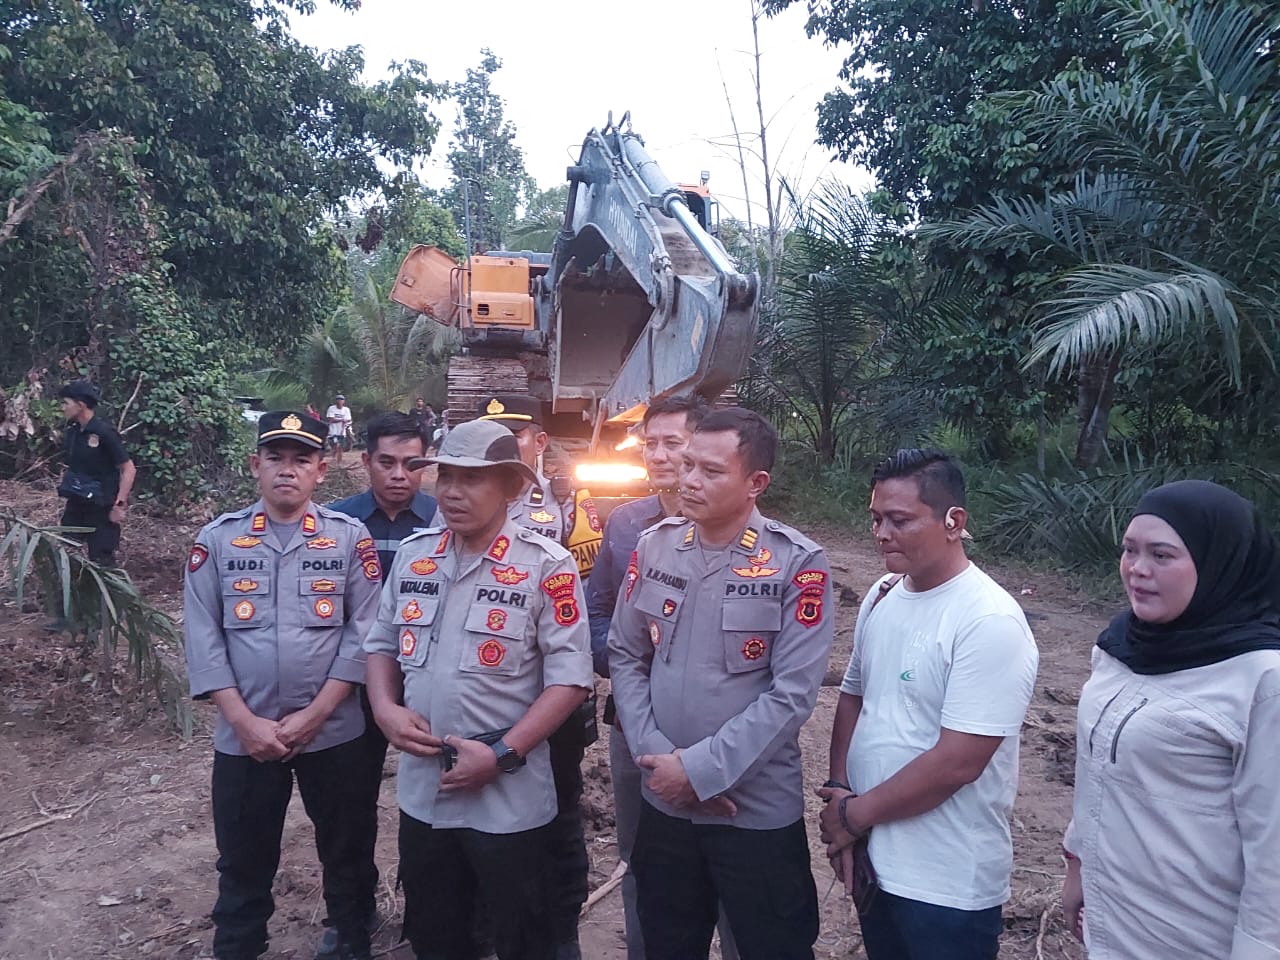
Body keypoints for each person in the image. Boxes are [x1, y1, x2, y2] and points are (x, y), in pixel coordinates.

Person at [608, 407, 833, 960]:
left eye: (709, 471)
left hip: (751, 808)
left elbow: (792, 693)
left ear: (755, 484)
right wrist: (657, 757)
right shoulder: (655, 546)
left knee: (768, 944)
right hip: (664, 799)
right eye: (687, 465)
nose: (687, 480)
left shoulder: (797, 565)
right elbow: (627, 653)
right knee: (666, 941)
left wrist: (703, 771)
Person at [363, 418, 593, 960]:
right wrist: (383, 709)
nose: (451, 492)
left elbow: (571, 679)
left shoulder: (547, 567)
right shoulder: (417, 555)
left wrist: (501, 753)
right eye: (445, 477)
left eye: (473, 480)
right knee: (437, 933)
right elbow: (380, 643)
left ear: (511, 488)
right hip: (426, 793)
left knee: (522, 936)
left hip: (507, 799)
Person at [818, 448, 1038, 960]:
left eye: (900, 520)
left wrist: (853, 816)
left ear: (953, 521)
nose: (881, 534)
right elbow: (854, 696)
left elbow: (958, 761)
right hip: (877, 860)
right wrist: (838, 791)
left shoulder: (988, 621)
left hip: (946, 881)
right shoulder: (882, 594)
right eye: (876, 518)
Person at [183, 411, 383, 960]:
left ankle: (350, 938)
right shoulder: (218, 540)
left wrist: (316, 715)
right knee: (243, 858)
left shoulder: (349, 539)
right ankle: (240, 945)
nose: (287, 471)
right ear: (256, 466)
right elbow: (203, 634)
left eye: (301, 460)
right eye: (276, 458)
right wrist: (242, 721)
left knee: (347, 848)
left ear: (322, 470)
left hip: (334, 731)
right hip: (244, 736)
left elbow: (364, 633)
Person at [1061, 480, 1280, 959]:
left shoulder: (1262, 679)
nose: (1138, 570)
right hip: (1115, 922)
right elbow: (1092, 772)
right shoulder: (1121, 647)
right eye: (1130, 550)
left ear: (1220, 562)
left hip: (1196, 938)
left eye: (1162, 556)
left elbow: (1274, 860)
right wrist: (1077, 864)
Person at [584, 395, 735, 960]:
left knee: (728, 857)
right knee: (642, 857)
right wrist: (633, 673)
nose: (660, 454)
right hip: (634, 727)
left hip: (718, 730)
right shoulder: (625, 524)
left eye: (674, 442)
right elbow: (597, 612)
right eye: (650, 442)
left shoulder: (753, 539)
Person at [466, 394, 603, 959]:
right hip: (486, 690)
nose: (502, 446)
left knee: (561, 808)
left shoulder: (573, 501)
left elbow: (588, 592)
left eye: (514, 435)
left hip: (554, 693)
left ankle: (561, 925)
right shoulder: (462, 499)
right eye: (489, 434)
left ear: (540, 443)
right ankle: (476, 924)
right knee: (473, 812)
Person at [320, 412, 439, 960]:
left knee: (432, 805)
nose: (399, 475)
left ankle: (430, 910)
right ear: (364, 461)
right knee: (349, 808)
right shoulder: (335, 523)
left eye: (412, 463)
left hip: (428, 688)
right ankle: (350, 916)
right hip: (351, 688)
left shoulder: (444, 520)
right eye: (386, 463)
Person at [54, 380, 136, 567]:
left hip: (101, 507)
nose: (62, 407)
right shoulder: (73, 432)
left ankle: (110, 596)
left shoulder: (104, 432)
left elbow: (128, 468)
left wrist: (120, 505)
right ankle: (70, 595)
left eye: (66, 403)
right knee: (67, 554)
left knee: (102, 561)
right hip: (77, 503)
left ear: (81, 405)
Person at [327, 395, 353, 464]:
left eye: (341, 400)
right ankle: (333, 458)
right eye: (338, 399)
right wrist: (341, 420)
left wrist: (345, 426)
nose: (339, 401)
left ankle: (339, 462)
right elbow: (331, 419)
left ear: (343, 401)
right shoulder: (331, 408)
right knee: (335, 445)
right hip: (333, 431)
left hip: (342, 431)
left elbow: (348, 419)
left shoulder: (346, 410)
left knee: (340, 447)